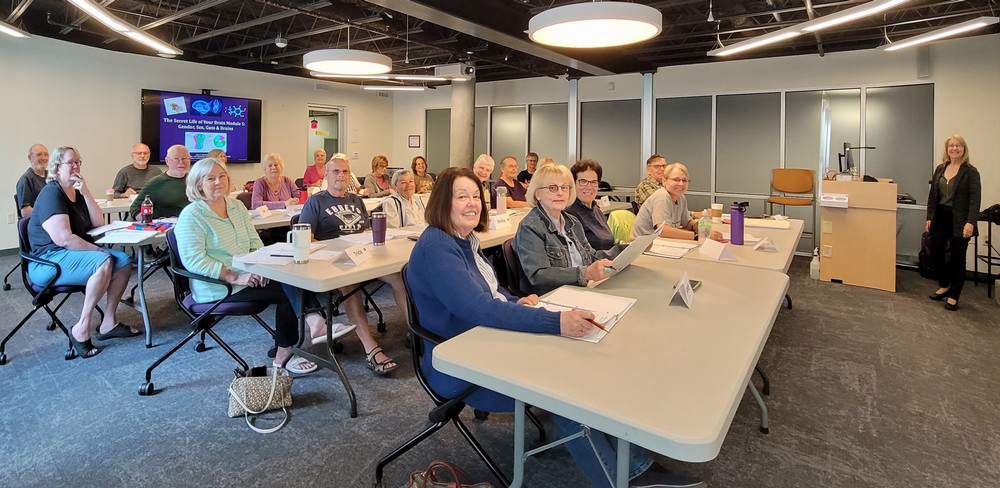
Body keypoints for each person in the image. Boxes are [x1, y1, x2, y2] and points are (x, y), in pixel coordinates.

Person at [408, 167, 701, 488]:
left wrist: (511, 300)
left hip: (485, 340)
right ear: (440, 203)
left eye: (476, 195)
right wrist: (555, 321)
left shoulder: (464, 239)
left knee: (581, 364)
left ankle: (634, 462)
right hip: (458, 365)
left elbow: (489, 291)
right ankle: (623, 478)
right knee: (564, 384)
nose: (472, 203)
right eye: (461, 196)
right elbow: (477, 307)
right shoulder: (438, 245)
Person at [175, 158, 355, 374]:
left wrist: (259, 266)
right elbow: (194, 260)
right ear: (198, 185)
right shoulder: (192, 215)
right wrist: (235, 277)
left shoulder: (236, 206)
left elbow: (254, 242)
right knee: (289, 289)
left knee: (293, 275)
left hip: (251, 275)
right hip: (220, 285)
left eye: (222, 176)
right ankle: (308, 331)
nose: (218, 182)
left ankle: (297, 343)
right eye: (210, 178)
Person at [299, 155, 408, 375]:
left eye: (345, 172)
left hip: (362, 254)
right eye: (336, 172)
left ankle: (415, 329)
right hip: (334, 260)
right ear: (327, 175)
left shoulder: (356, 200)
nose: (341, 176)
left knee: (399, 275)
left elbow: (365, 230)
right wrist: (336, 248)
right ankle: (371, 348)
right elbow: (306, 239)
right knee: (350, 284)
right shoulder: (316, 201)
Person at [26, 146, 137, 359]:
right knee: (103, 260)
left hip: (70, 255)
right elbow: (64, 239)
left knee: (123, 261)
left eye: (78, 162)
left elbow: (97, 222)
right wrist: (99, 251)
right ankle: (81, 328)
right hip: (48, 260)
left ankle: (108, 323)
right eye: (71, 163)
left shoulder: (75, 193)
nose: (76, 166)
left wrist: (85, 191)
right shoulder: (52, 193)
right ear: (57, 168)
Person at [513, 164, 625, 296]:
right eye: (552, 188)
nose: (560, 193)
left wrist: (625, 250)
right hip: (553, 296)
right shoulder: (530, 227)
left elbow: (590, 256)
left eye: (564, 187)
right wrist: (586, 273)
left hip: (581, 289)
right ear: (538, 194)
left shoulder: (572, 221)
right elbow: (538, 276)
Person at [927, 135, 981, 311]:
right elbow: (933, 196)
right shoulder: (941, 168)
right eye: (951, 145)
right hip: (940, 216)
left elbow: (975, 200)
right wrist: (929, 217)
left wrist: (971, 222)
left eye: (958, 145)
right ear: (947, 149)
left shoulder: (971, 172)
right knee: (935, 251)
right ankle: (944, 284)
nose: (954, 148)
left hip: (960, 220)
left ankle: (954, 295)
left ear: (964, 149)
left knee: (958, 259)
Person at [631, 163, 720, 242]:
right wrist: (699, 236)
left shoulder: (681, 198)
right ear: (664, 181)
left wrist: (703, 229)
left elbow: (687, 223)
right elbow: (663, 231)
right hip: (644, 247)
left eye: (684, 180)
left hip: (662, 242)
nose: (681, 184)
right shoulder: (662, 197)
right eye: (676, 180)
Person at [129, 145, 191, 220]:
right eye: (176, 159)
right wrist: (150, 223)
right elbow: (135, 209)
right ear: (167, 161)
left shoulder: (196, 181)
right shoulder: (156, 183)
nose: (181, 162)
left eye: (184, 159)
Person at [563, 159, 616, 250]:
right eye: (583, 181)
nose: (589, 187)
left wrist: (627, 246)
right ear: (573, 183)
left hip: (606, 261)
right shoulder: (569, 214)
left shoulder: (596, 210)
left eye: (593, 182)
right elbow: (581, 254)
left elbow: (608, 243)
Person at [16, 144, 49, 218]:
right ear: (30, 158)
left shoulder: (52, 177)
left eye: (46, 154)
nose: (44, 158)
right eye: (39, 154)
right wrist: (49, 213)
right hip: (39, 223)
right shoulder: (26, 179)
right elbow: (25, 212)